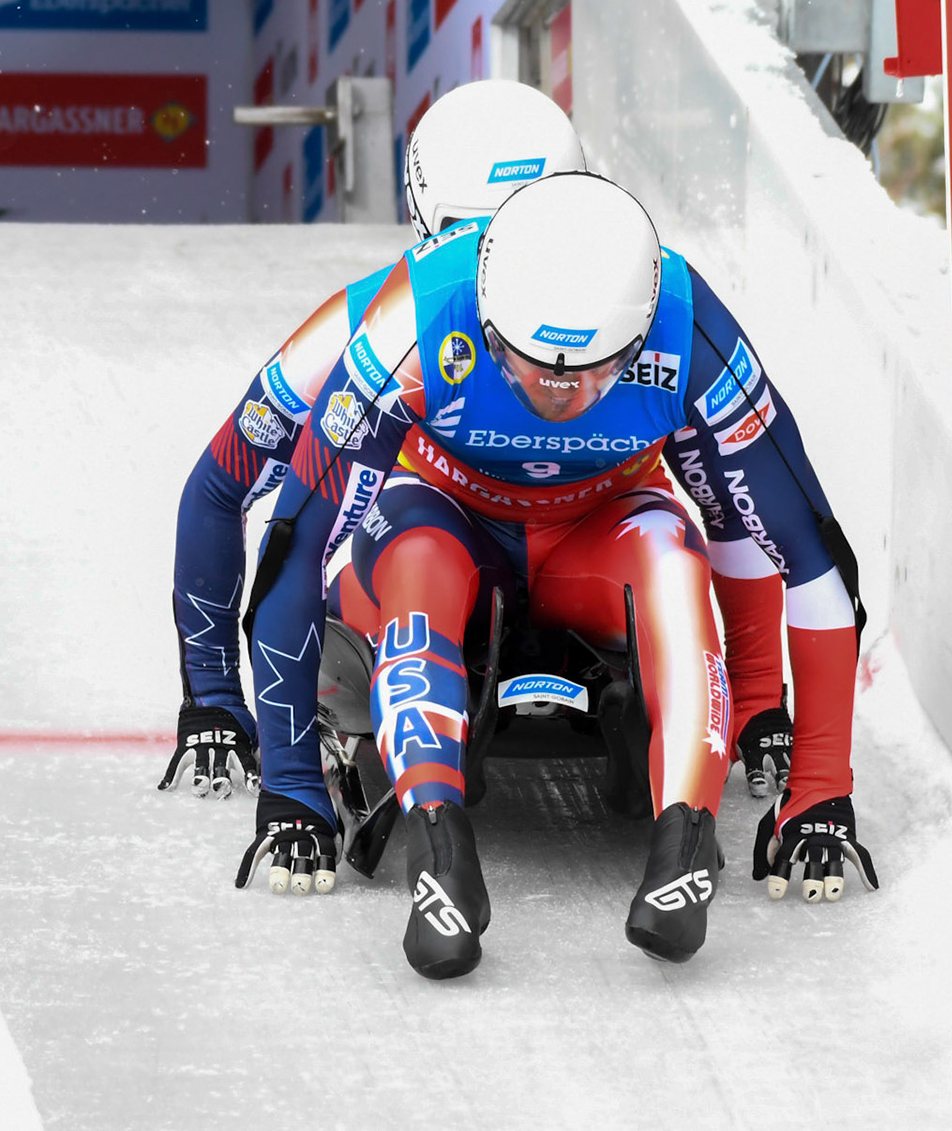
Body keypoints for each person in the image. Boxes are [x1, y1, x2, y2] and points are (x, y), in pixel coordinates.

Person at [232, 173, 877, 979]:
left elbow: (808, 553)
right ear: (487, 325)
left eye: (593, 375)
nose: (558, 395)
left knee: (674, 560)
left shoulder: (692, 328)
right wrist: (289, 787)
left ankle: (685, 841)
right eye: (526, 366)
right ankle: (439, 851)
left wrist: (819, 791)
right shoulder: (415, 320)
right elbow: (297, 536)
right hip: (440, 511)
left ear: (640, 339)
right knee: (417, 564)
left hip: (602, 525)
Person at [164, 83, 797, 808]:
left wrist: (755, 701)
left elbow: (734, 501)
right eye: (475, 233)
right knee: (392, 566)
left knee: (665, 556)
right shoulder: (384, 322)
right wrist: (212, 698)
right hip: (441, 540)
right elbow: (223, 483)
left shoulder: (662, 316)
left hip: (599, 543)